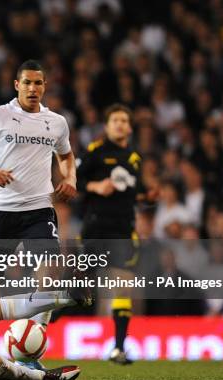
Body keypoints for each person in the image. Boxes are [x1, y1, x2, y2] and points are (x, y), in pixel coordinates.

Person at [0, 59, 78, 368]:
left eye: (38, 83)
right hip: (2, 212)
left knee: (49, 275)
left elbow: (66, 155)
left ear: (45, 86)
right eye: (27, 82)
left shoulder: (56, 122)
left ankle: (30, 352)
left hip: (39, 209)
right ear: (16, 85)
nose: (32, 88)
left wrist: (70, 178)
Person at [77, 103, 154, 365]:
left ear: (130, 127)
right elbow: (73, 181)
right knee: (78, 287)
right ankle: (41, 330)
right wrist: (96, 186)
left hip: (123, 229)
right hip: (96, 229)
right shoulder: (95, 152)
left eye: (124, 120)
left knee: (123, 285)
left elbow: (134, 190)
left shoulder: (134, 158)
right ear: (107, 126)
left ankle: (118, 348)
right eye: (115, 120)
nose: (120, 124)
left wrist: (147, 195)